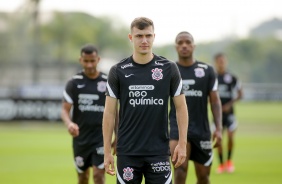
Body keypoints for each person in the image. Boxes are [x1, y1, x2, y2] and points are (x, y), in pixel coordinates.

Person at [103, 17, 189, 184]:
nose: (144, 40)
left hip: (159, 151)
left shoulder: (169, 68)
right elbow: (109, 113)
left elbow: (181, 107)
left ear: (154, 37)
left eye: (148, 36)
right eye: (139, 36)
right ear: (131, 37)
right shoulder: (117, 71)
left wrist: (182, 143)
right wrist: (107, 152)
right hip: (127, 152)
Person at [169, 31, 222, 184]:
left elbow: (215, 101)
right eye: (180, 42)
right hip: (177, 130)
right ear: (176, 46)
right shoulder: (170, 71)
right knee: (180, 171)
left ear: (194, 45)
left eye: (187, 42)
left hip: (202, 130)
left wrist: (218, 128)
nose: (184, 45)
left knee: (204, 176)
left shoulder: (207, 70)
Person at [61, 44, 107, 184]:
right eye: (86, 61)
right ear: (80, 60)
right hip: (81, 137)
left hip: (101, 136)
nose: (89, 64)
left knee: (99, 175)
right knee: (83, 177)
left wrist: (117, 136)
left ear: (98, 59)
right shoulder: (74, 83)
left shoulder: (107, 81)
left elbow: (115, 111)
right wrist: (69, 124)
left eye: (92, 60)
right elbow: (64, 110)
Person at [213, 53, 243, 173]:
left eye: (223, 61)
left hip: (229, 113)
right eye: (219, 61)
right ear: (215, 62)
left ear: (226, 62)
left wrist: (229, 105)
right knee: (218, 139)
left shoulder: (232, 78)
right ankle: (221, 164)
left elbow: (240, 94)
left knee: (230, 137)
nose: (221, 63)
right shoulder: (212, 77)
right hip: (216, 115)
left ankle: (229, 162)